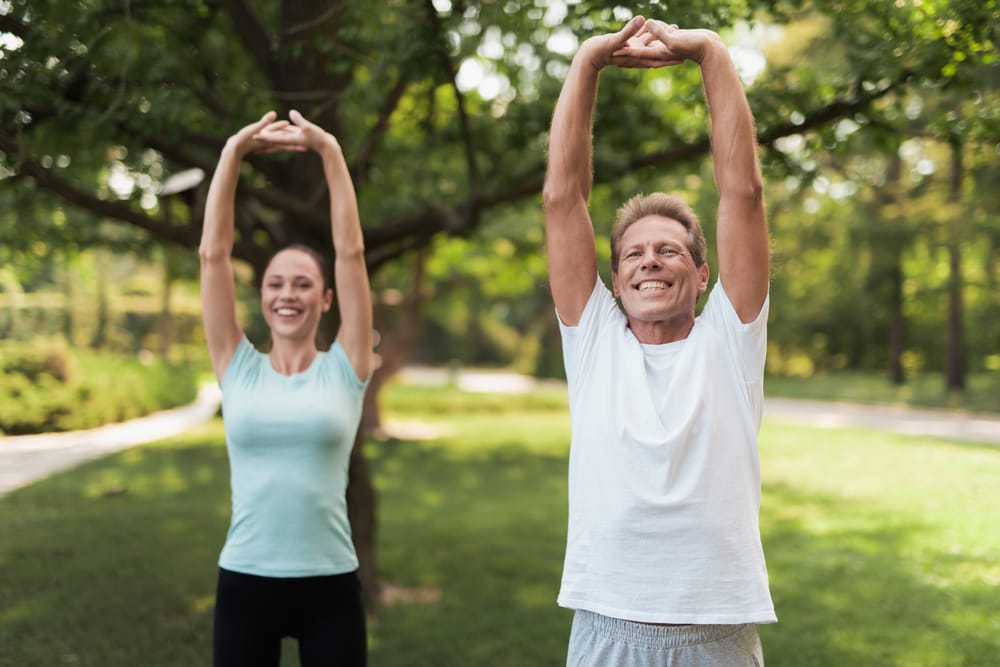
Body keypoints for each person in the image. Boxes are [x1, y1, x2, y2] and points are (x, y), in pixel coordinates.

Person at [542, 16, 775, 666]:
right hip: (607, 627)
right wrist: (589, 62)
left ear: (702, 274)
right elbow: (563, 198)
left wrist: (710, 54)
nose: (649, 261)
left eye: (668, 250)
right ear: (612, 280)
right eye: (634, 253)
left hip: (718, 635)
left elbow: (744, 195)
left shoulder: (730, 340)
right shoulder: (595, 343)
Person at [199, 110, 373, 667]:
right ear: (262, 297)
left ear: (326, 300)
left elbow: (350, 253)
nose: (287, 294)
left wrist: (330, 154)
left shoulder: (347, 363)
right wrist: (232, 154)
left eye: (303, 284)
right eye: (275, 284)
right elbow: (213, 256)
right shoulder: (236, 364)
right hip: (246, 580)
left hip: (331, 585)